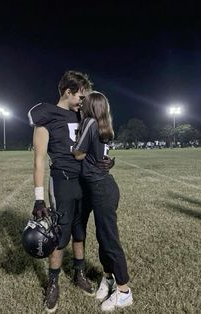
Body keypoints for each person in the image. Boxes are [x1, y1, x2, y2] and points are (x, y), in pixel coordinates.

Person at [28, 70, 95, 313]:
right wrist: (38, 199)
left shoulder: (82, 114)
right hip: (63, 181)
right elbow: (38, 160)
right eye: (80, 95)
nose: (82, 101)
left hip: (84, 180)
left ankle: (79, 273)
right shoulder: (47, 117)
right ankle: (53, 282)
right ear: (68, 92)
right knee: (59, 235)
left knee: (80, 230)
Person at [72, 91, 133, 312]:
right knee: (102, 236)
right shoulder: (103, 124)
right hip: (101, 187)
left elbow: (78, 153)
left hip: (101, 188)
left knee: (109, 239)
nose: (80, 104)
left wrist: (76, 149)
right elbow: (102, 156)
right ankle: (107, 278)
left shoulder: (88, 121)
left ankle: (124, 291)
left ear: (90, 107)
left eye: (84, 102)